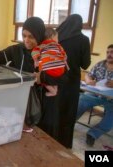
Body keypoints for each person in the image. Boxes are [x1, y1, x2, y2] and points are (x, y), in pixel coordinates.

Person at [0, 17, 63, 140]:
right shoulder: (18, 50)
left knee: (38, 138)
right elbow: (0, 55)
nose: (26, 40)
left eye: (31, 37)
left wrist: (43, 77)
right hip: (18, 102)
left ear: (39, 36)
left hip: (40, 104)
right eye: (24, 35)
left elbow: (61, 77)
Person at [56, 14, 91, 148]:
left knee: (55, 111)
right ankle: (65, 144)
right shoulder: (83, 40)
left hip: (55, 80)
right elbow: (85, 65)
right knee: (68, 114)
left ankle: (51, 139)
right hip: (71, 83)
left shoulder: (57, 36)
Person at [76, 44, 113, 147]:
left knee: (110, 120)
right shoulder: (100, 64)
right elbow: (89, 75)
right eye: (108, 52)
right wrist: (88, 80)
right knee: (81, 100)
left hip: (111, 99)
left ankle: (93, 134)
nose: (109, 55)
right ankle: (69, 125)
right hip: (95, 94)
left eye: (112, 52)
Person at [31, 27, 68, 96]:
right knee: (56, 78)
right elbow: (64, 55)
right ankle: (55, 89)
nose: (58, 40)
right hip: (60, 70)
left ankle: (52, 91)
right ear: (52, 37)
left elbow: (34, 52)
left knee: (41, 79)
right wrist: (63, 60)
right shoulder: (59, 46)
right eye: (57, 38)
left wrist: (36, 60)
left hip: (48, 70)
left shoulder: (42, 45)